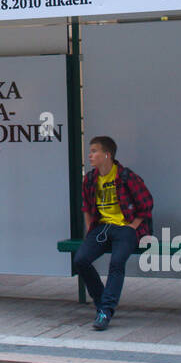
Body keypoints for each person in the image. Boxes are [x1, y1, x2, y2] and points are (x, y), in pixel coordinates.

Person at [73, 136, 154, 331]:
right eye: (90, 151)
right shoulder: (91, 179)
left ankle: (105, 310)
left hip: (125, 228)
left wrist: (132, 226)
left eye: (94, 151)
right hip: (101, 228)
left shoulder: (126, 176)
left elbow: (147, 204)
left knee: (117, 263)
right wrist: (89, 231)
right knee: (80, 260)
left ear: (107, 154)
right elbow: (87, 208)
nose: (90, 155)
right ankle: (102, 301)